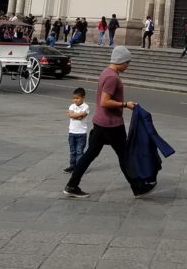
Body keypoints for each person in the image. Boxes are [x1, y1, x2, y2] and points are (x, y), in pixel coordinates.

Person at [63, 46, 152, 198]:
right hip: (111, 124)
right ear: (120, 61)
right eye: (127, 63)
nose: (128, 66)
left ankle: (72, 185)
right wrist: (125, 104)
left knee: (90, 154)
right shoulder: (112, 77)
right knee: (124, 155)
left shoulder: (106, 72)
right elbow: (105, 102)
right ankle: (138, 187)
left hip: (100, 122)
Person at [65, 88, 90, 173]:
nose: (75, 100)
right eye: (74, 98)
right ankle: (72, 166)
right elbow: (76, 115)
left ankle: (80, 168)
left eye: (77, 98)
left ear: (83, 97)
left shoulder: (86, 106)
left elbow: (80, 117)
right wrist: (77, 115)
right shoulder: (72, 106)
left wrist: (72, 115)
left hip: (81, 133)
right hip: (72, 132)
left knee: (79, 152)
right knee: (72, 151)